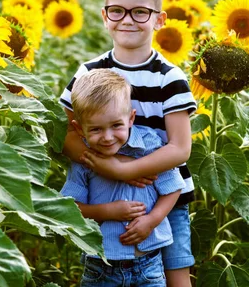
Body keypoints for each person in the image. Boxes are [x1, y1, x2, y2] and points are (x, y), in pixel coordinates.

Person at [60, 0, 197, 287]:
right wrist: (113, 167)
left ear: (159, 20)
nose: (127, 20)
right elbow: (67, 134)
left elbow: (180, 147)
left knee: (176, 274)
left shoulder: (169, 77)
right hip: (107, 195)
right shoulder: (89, 72)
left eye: (140, 12)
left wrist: (126, 171)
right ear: (105, 16)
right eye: (118, 11)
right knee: (109, 267)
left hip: (167, 199)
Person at [61, 69, 185, 286]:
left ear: (131, 118)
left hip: (148, 262)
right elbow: (70, 207)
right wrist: (107, 212)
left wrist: (151, 220)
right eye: (96, 129)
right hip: (100, 264)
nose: (107, 137)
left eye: (116, 125)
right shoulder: (85, 160)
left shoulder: (149, 145)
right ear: (80, 129)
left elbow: (173, 186)